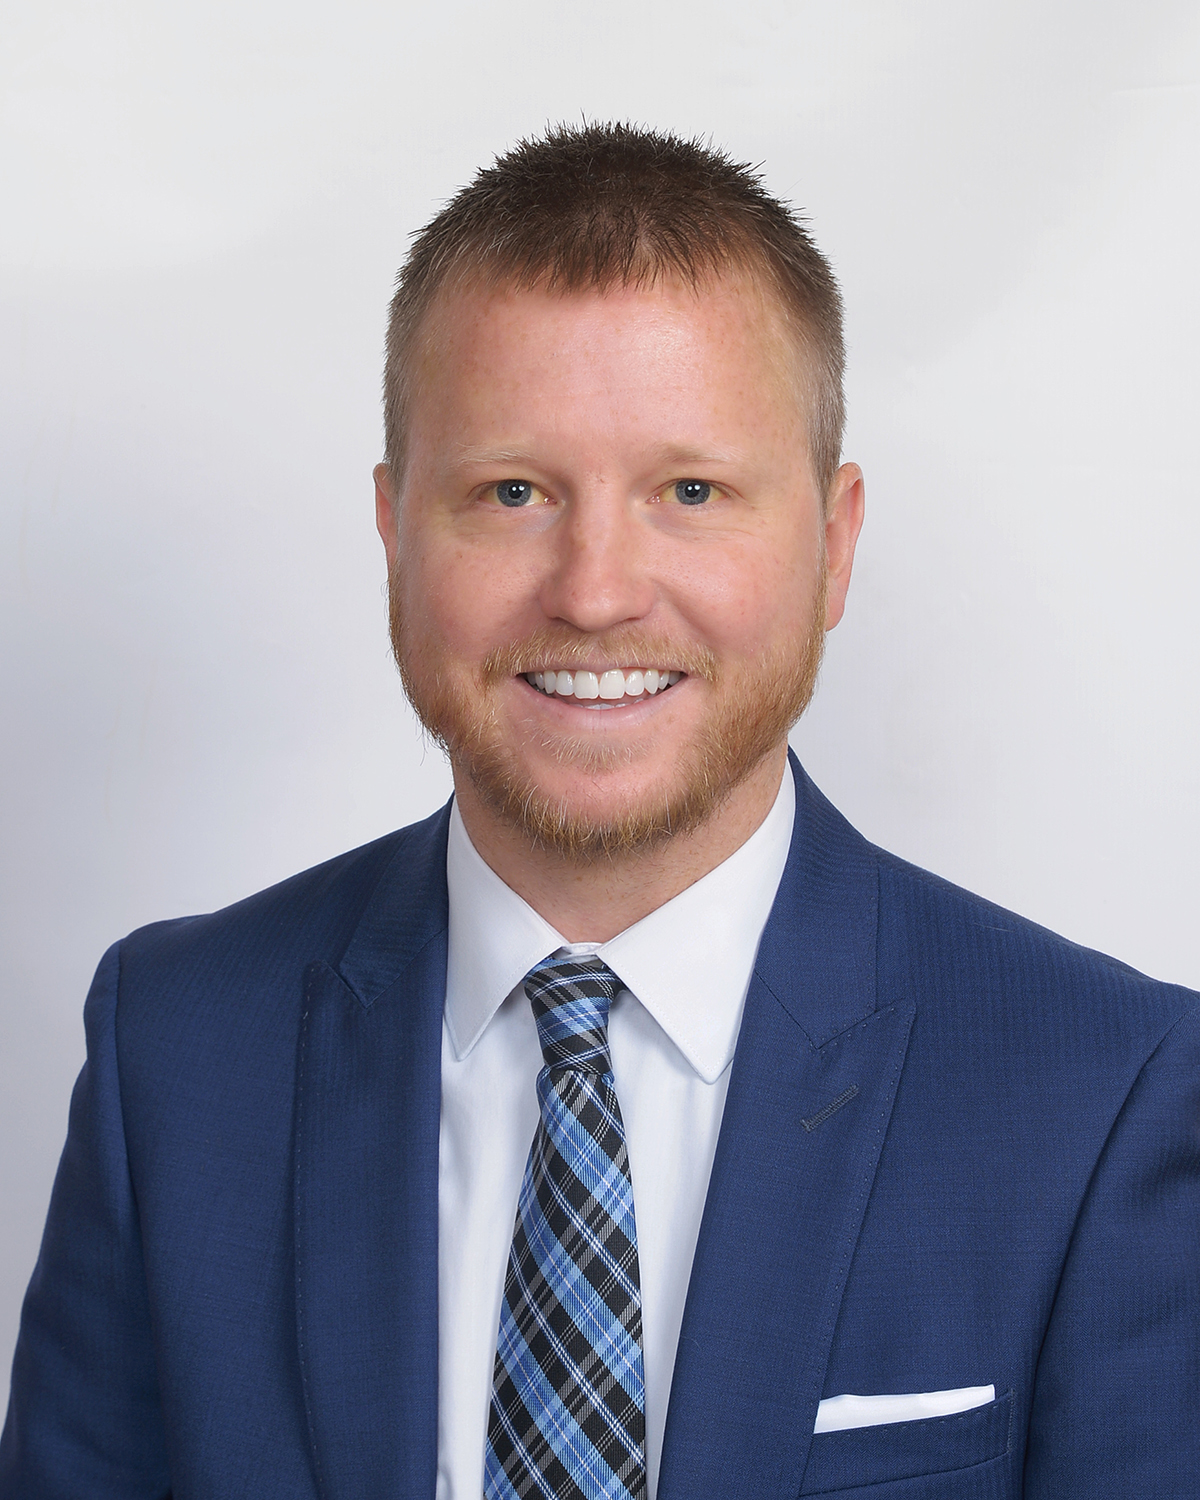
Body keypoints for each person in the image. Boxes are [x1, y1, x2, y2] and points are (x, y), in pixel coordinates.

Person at [2, 122, 1197, 1500]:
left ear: (834, 543)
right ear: (395, 533)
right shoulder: (176, 1052)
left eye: (690, 491)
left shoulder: (1102, 1093)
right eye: (512, 492)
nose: (594, 591)